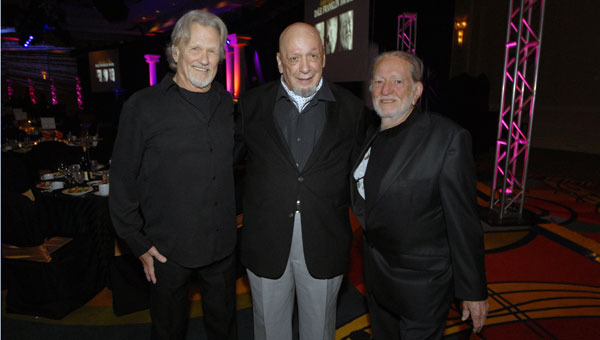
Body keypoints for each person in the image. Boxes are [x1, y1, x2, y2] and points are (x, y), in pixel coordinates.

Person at [109, 10, 238, 340]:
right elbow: (122, 182)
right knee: (167, 332)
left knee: (224, 330)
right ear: (176, 51)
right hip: (167, 251)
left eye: (212, 50)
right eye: (195, 48)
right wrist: (137, 243)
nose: (204, 59)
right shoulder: (142, 107)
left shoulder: (229, 104)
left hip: (222, 247)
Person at [235, 22, 366, 340]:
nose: (305, 67)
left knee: (319, 332)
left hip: (325, 242)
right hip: (265, 242)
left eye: (312, 55)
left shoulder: (352, 109)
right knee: (269, 331)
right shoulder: (250, 105)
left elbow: (362, 176)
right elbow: (222, 165)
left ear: (324, 58)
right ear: (279, 62)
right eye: (294, 58)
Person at [351, 51, 489, 339]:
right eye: (378, 81)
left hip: (422, 287)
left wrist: (473, 290)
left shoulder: (446, 139)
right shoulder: (371, 135)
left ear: (417, 91)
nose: (386, 90)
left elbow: (463, 221)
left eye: (397, 81)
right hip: (378, 280)